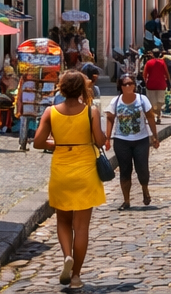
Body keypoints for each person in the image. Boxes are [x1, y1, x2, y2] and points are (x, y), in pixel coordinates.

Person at [34, 70, 106, 290]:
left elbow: (37, 142)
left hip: (62, 171)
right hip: (85, 172)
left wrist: (56, 144)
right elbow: (100, 141)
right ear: (83, 89)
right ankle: (75, 277)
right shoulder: (90, 112)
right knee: (81, 228)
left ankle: (67, 255)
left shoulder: (51, 112)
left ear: (61, 88)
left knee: (63, 221)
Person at [103, 74, 158, 210]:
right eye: (125, 84)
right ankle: (126, 200)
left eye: (130, 83)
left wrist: (154, 136)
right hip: (122, 140)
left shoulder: (142, 99)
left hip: (141, 140)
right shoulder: (115, 101)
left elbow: (150, 117)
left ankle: (145, 190)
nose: (128, 86)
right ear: (120, 87)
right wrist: (107, 138)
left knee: (142, 169)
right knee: (125, 170)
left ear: (134, 85)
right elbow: (110, 119)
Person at [142, 50, 169, 128]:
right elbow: (166, 73)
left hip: (151, 85)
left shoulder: (149, 63)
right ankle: (158, 116)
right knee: (160, 102)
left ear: (152, 54)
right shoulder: (162, 62)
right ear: (160, 54)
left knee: (152, 102)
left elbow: (144, 74)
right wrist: (168, 82)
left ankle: (153, 116)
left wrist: (145, 81)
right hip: (161, 85)